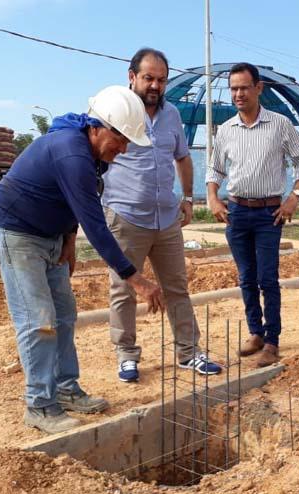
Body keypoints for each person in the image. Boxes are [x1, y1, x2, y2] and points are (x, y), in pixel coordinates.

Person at [0, 86, 164, 434]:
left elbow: (72, 203)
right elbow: (95, 223)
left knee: (64, 314)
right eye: (122, 139)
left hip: (50, 235)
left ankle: (66, 390)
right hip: (17, 233)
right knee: (38, 319)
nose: (124, 149)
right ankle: (39, 405)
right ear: (97, 128)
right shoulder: (71, 153)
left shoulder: (93, 155)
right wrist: (135, 278)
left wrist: (67, 241)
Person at [103, 48, 222, 383]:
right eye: (148, 78)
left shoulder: (172, 116)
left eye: (161, 80)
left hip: (166, 218)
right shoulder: (114, 111)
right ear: (132, 77)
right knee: (123, 288)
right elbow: (95, 155)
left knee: (176, 287)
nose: (155, 85)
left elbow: (183, 158)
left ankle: (189, 352)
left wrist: (187, 198)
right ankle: (126, 355)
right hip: (125, 216)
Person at [206, 62, 299, 368]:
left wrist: (294, 197)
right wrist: (213, 197)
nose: (238, 94)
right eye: (234, 89)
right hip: (236, 212)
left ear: (258, 88)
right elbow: (215, 169)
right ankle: (255, 332)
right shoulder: (226, 130)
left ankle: (272, 341)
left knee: (268, 278)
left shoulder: (280, 125)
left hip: (270, 213)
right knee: (246, 278)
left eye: (244, 87)